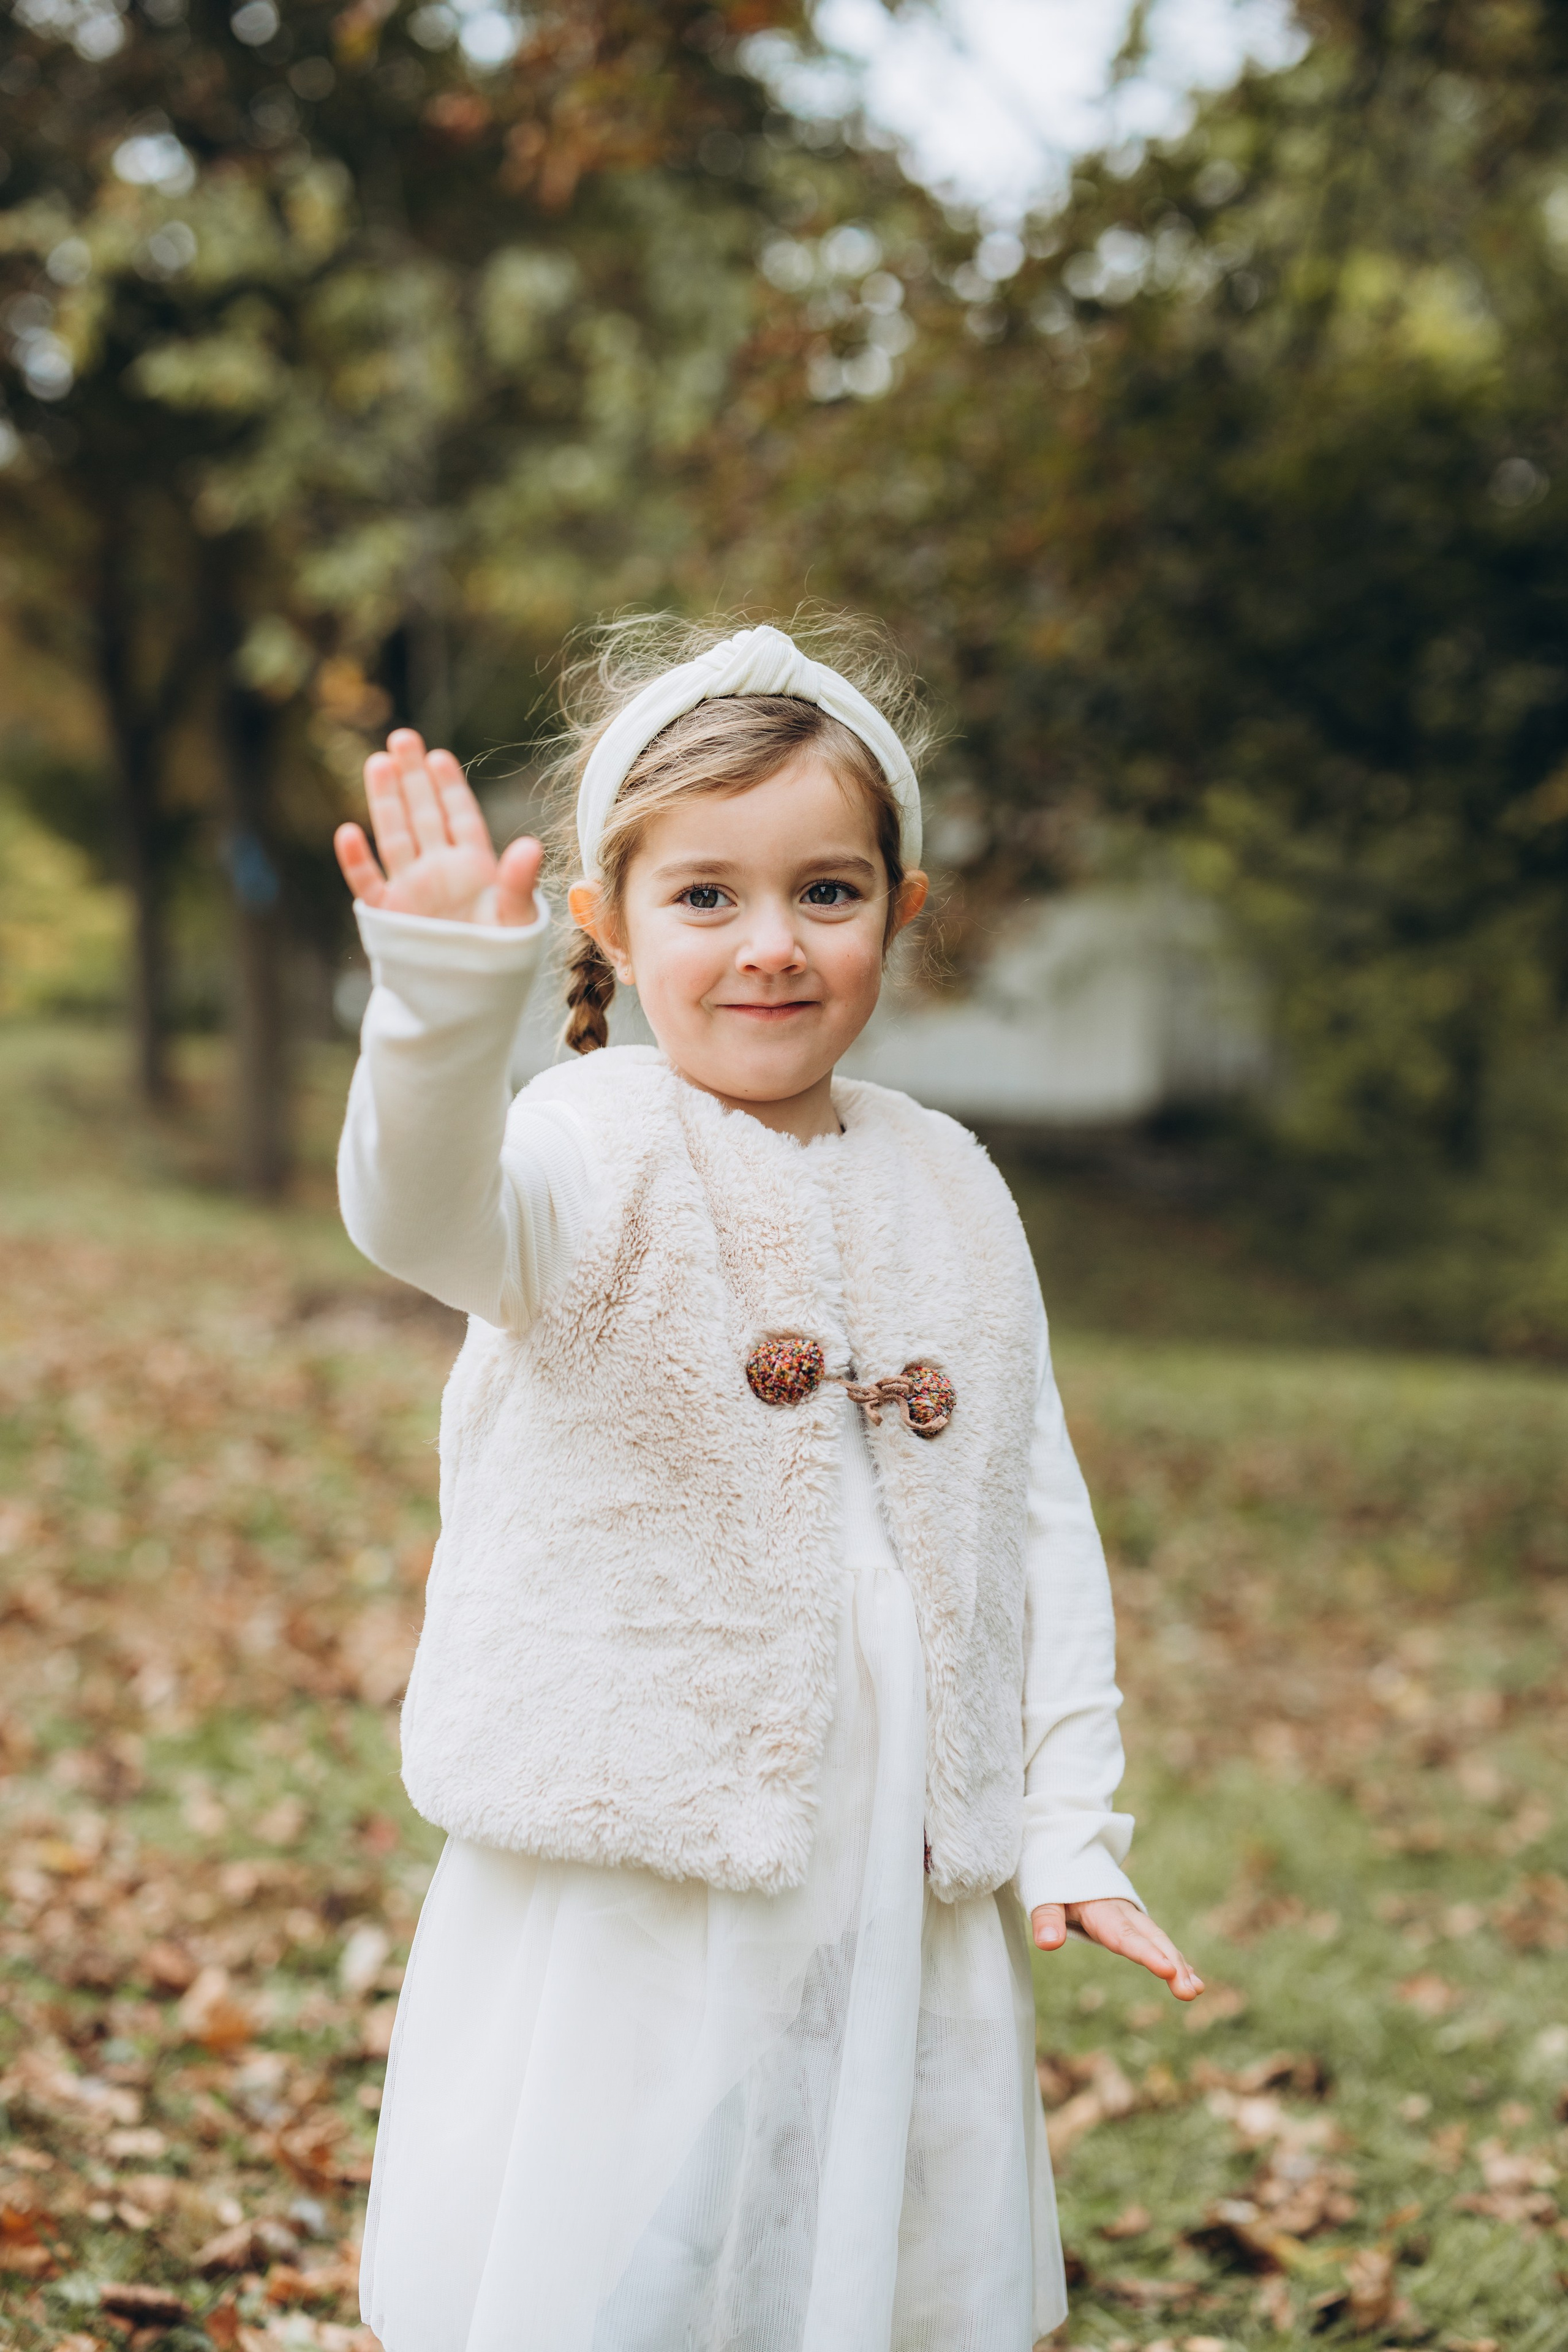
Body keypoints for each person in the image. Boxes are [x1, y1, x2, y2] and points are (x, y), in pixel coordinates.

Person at [333, 616, 1202, 2352]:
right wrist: (438, 1003)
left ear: (903, 908)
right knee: (625, 2224)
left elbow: (1032, 1507)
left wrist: (1068, 1814)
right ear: (606, 923)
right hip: (647, 1830)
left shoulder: (952, 1182)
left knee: (849, 2202)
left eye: (827, 892)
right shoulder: (590, 1149)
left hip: (890, 1833)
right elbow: (419, 1218)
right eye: (706, 898)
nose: (771, 948)